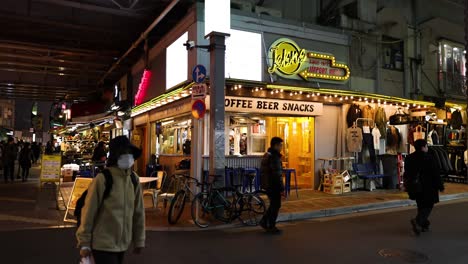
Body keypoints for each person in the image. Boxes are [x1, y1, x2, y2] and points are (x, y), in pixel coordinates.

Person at [76, 136, 145, 264]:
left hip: (122, 245)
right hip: (102, 244)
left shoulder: (133, 180)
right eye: (124, 153)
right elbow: (88, 212)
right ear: (115, 156)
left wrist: (139, 239)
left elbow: (138, 212)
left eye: (129, 153)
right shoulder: (103, 179)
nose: (128, 156)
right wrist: (84, 242)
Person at [404, 139, 444, 235]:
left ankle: (424, 225)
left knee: (421, 205)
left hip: (415, 186)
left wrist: (407, 185)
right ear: (423, 147)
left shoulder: (409, 158)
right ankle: (418, 221)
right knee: (429, 205)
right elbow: (435, 173)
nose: (427, 148)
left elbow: (407, 173)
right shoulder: (429, 158)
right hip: (428, 186)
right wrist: (440, 185)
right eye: (426, 146)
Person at [259, 137, 284, 234]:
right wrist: (281, 188)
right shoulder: (274, 157)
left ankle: (265, 221)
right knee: (276, 205)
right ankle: (271, 225)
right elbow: (277, 174)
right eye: (280, 145)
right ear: (275, 145)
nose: (281, 147)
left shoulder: (268, 154)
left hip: (268, 184)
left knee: (274, 205)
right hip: (273, 185)